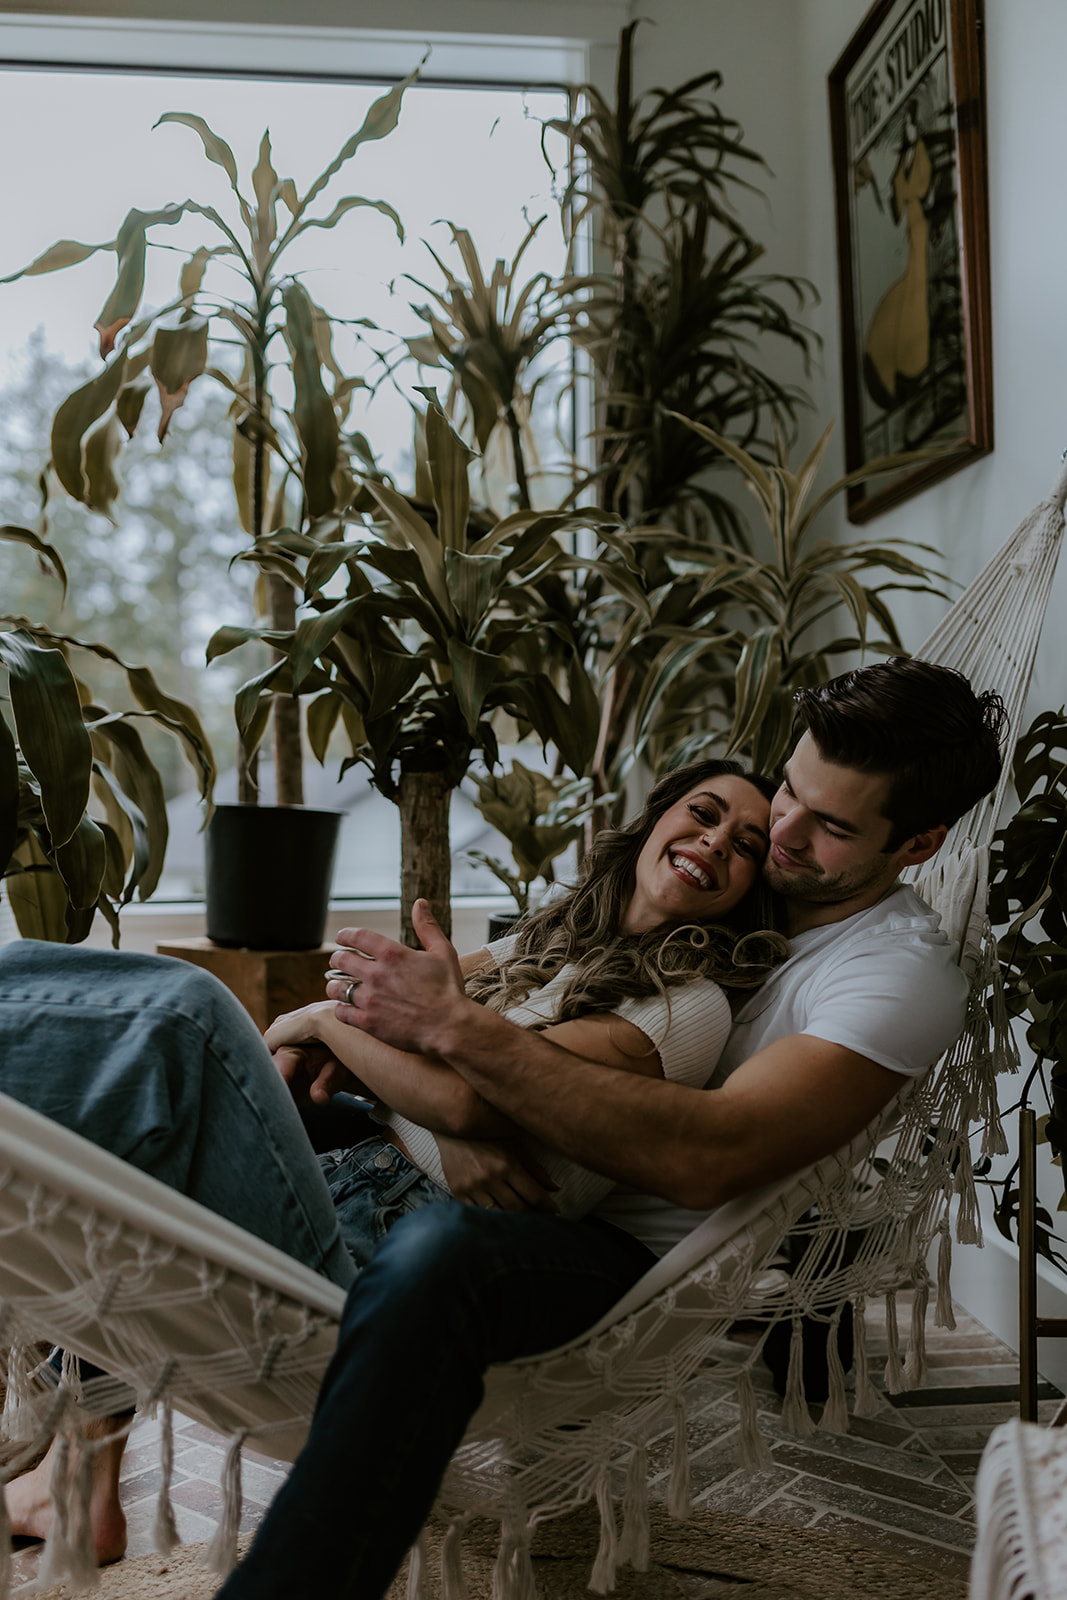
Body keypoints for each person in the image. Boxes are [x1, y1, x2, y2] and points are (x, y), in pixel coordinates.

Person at [1, 658, 1005, 1597]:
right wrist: (360, 1037)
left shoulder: (892, 973)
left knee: (191, 1021)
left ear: (915, 846)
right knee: (141, 1115)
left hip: (608, 1263)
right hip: (437, 1172)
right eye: (783, 791)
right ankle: (80, 1464)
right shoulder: (679, 902)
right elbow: (446, 1009)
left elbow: (710, 1153)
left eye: (824, 825)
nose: (778, 834)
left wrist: (452, 1058)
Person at [0, 758, 784, 1561]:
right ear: (656, 818)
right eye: (703, 811)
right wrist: (359, 1046)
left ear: (751, 886)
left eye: (746, 843)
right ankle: (76, 1486)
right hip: (346, 1185)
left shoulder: (687, 1006)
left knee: (189, 1016)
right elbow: (366, 1008)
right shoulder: (550, 938)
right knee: (116, 1159)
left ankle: (73, 1482)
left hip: (382, 1261)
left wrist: (339, 1035)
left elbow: (466, 1093)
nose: (713, 841)